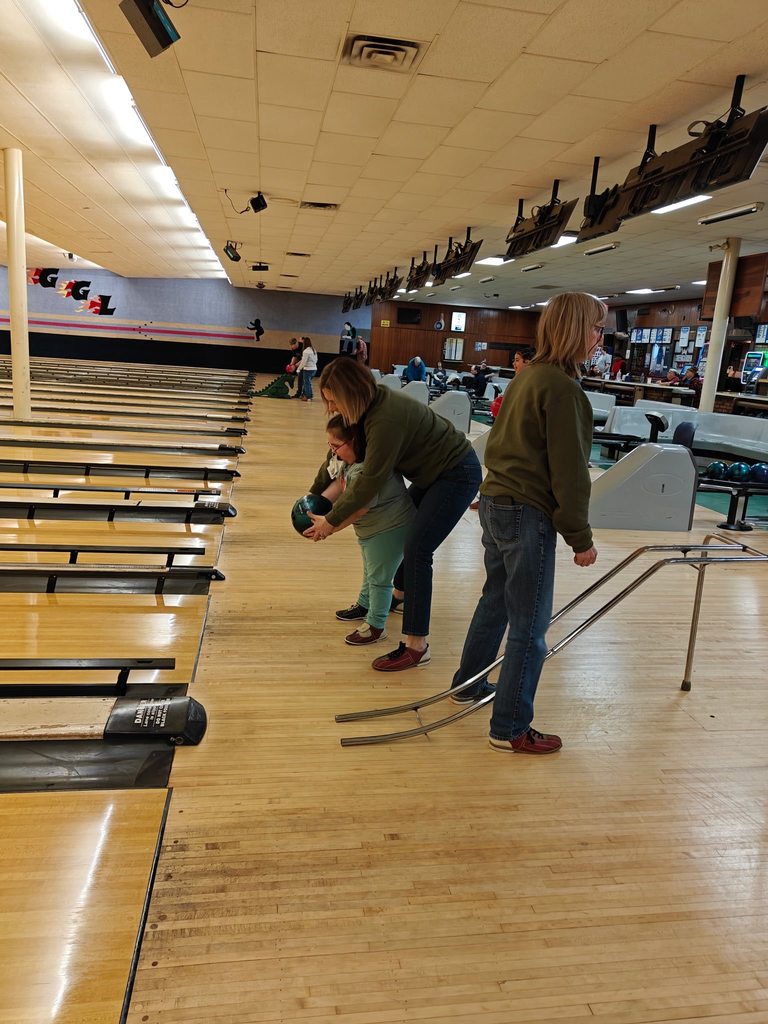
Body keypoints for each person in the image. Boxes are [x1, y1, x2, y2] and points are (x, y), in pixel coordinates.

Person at [449, 292, 602, 755]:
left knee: (495, 601)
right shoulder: (562, 389)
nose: (600, 338)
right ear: (575, 330)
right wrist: (580, 536)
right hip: (527, 511)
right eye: (596, 328)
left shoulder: (527, 376)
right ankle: (510, 727)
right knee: (529, 626)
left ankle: (468, 685)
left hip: (496, 502)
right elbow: (570, 471)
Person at [303, 358, 482, 671]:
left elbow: (370, 481)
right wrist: (313, 496)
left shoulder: (385, 418)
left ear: (352, 393)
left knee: (417, 549)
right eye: (327, 399)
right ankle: (397, 594)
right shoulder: (360, 410)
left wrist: (331, 522)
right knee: (406, 533)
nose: (330, 405)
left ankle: (417, 646)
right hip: (431, 474)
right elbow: (334, 455)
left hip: (456, 473)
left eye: (334, 399)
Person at [322, 416, 414, 646]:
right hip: (373, 529)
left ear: (355, 442)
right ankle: (364, 605)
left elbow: (359, 508)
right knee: (370, 570)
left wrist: (329, 528)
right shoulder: (351, 464)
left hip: (390, 528)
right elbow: (339, 489)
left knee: (380, 579)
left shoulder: (365, 470)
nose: (333, 452)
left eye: (336, 446)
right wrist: (316, 506)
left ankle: (376, 625)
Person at [296, 336, 318, 401]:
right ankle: (309, 395)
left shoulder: (306, 351)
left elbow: (303, 362)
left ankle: (308, 397)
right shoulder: (313, 349)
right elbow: (316, 360)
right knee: (308, 383)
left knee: (306, 383)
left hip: (308, 370)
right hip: (314, 369)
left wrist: (298, 369)